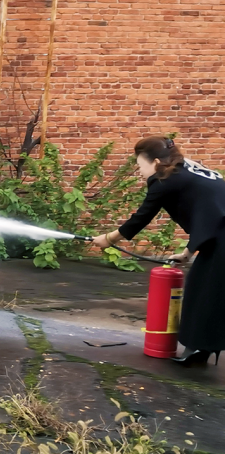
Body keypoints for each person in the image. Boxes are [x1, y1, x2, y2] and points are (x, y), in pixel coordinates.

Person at [93, 135, 225, 367]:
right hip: (219, 237)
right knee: (208, 289)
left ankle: (199, 349)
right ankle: (203, 348)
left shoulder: (165, 180)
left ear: (154, 162)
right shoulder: (190, 169)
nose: (140, 170)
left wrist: (108, 238)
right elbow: (209, 209)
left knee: (203, 291)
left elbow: (141, 217)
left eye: (140, 165)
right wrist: (188, 252)